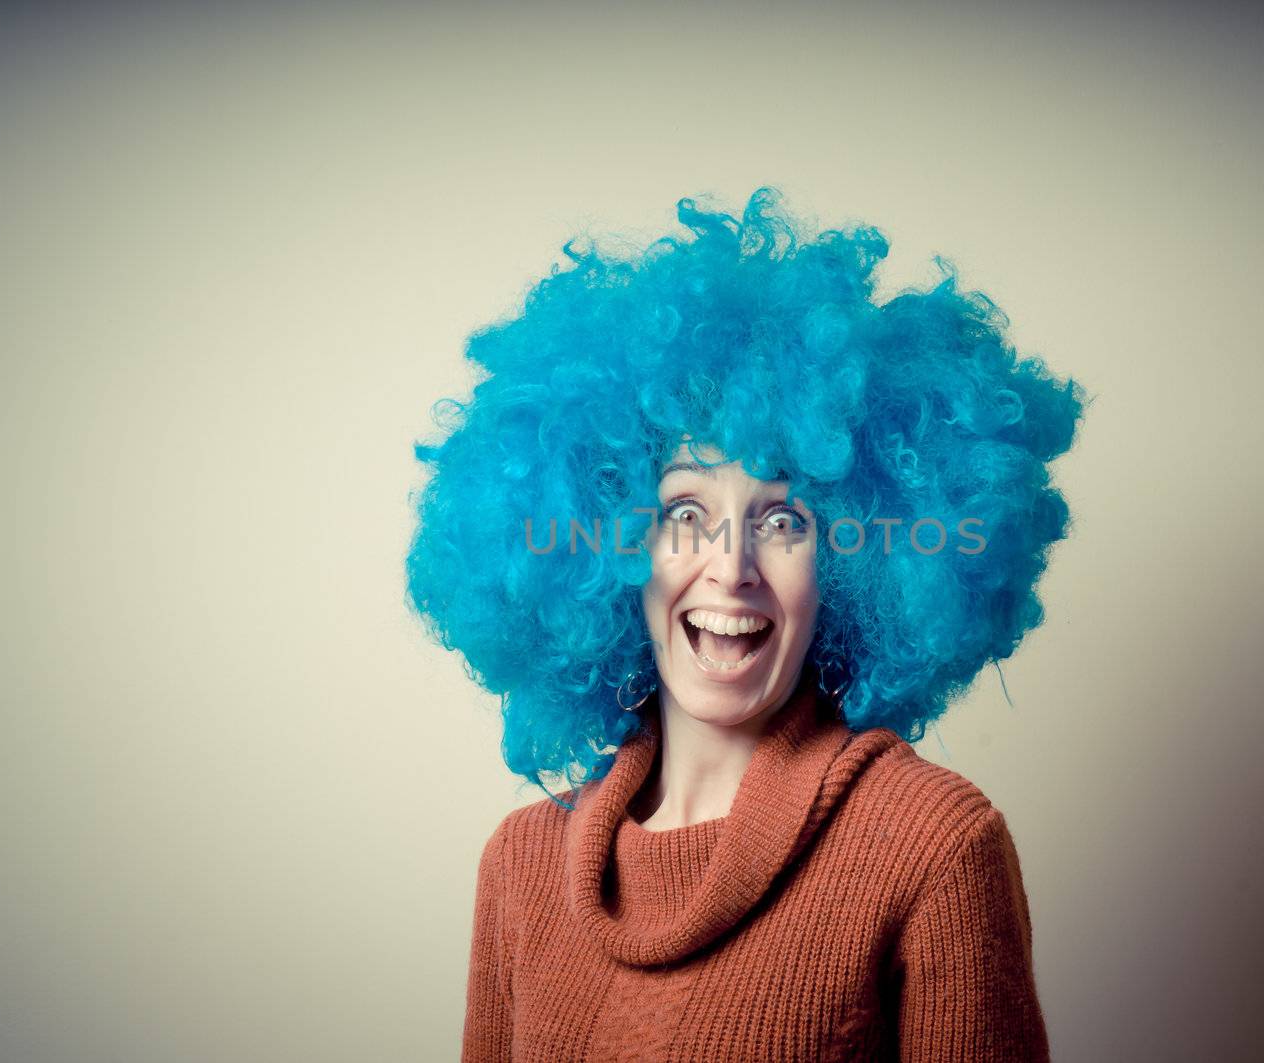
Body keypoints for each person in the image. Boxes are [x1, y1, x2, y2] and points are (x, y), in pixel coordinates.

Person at [405, 187, 1087, 1061]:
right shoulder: (521, 866)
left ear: (854, 562)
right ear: (614, 543)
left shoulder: (932, 848)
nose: (731, 567)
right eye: (685, 511)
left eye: (783, 521)